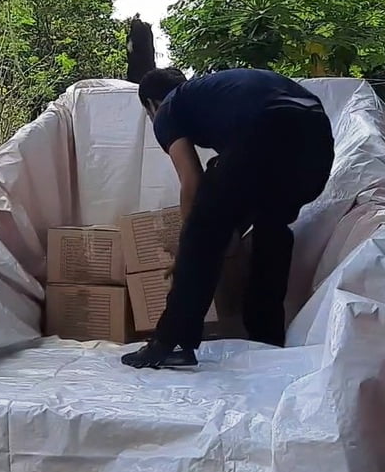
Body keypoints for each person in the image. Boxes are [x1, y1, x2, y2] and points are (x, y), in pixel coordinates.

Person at [122, 67, 335, 370]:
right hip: (316, 141)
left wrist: (188, 249)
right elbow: (241, 180)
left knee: (201, 233)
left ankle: (171, 342)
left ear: (150, 105)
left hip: (269, 128)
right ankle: (267, 339)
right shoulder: (215, 93)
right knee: (270, 230)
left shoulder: (169, 106)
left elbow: (192, 182)